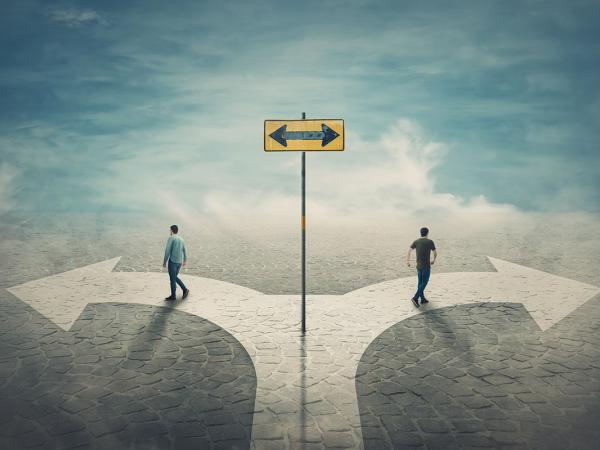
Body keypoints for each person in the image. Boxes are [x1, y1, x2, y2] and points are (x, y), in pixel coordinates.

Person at [406, 227, 437, 308]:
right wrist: (433, 260)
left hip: (418, 266)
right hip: (426, 266)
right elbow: (435, 252)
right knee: (424, 282)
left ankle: (422, 299)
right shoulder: (430, 242)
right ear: (427, 233)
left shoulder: (416, 241)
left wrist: (408, 261)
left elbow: (409, 251)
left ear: (420, 233)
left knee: (420, 282)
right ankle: (415, 297)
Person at [163, 224, 189, 301]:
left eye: (170, 230)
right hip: (179, 262)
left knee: (173, 278)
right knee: (174, 277)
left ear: (171, 230)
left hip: (173, 261)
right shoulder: (181, 239)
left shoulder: (171, 238)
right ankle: (178, 292)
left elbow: (167, 251)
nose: (169, 231)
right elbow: (184, 251)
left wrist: (164, 261)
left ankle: (182, 290)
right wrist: (185, 261)